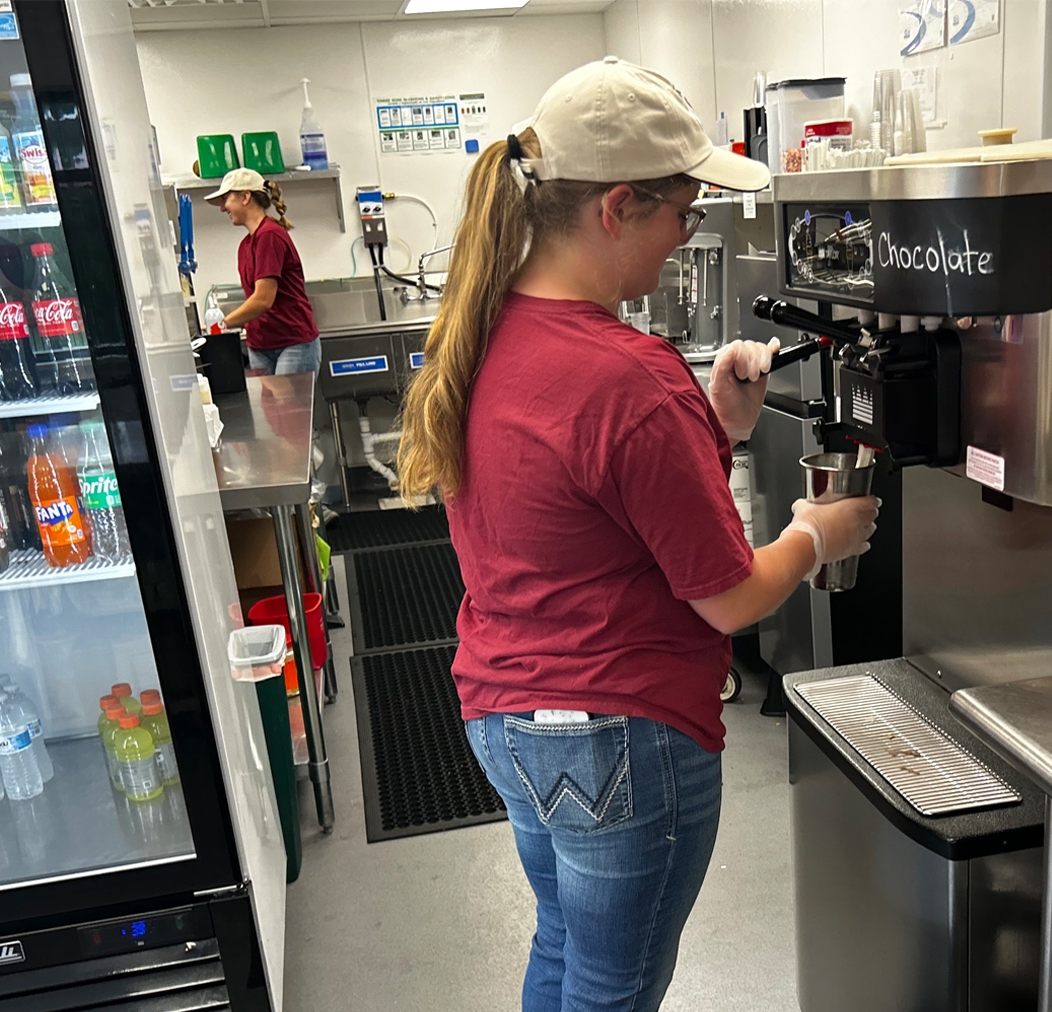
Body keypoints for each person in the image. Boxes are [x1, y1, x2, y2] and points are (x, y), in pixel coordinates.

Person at [396, 58, 878, 1012]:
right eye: (683, 215)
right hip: (615, 732)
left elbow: (586, 504)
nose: (684, 239)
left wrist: (718, 424)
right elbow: (731, 594)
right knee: (615, 990)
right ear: (617, 207)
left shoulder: (482, 333)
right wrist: (820, 534)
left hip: (506, 714)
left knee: (566, 948)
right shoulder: (628, 377)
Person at [205, 167, 320, 375]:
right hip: (260, 346)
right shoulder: (246, 245)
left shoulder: (270, 235)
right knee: (268, 409)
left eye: (226, 199)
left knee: (289, 408)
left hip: (292, 344)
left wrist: (220, 325)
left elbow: (263, 300)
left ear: (245, 197)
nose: (222, 208)